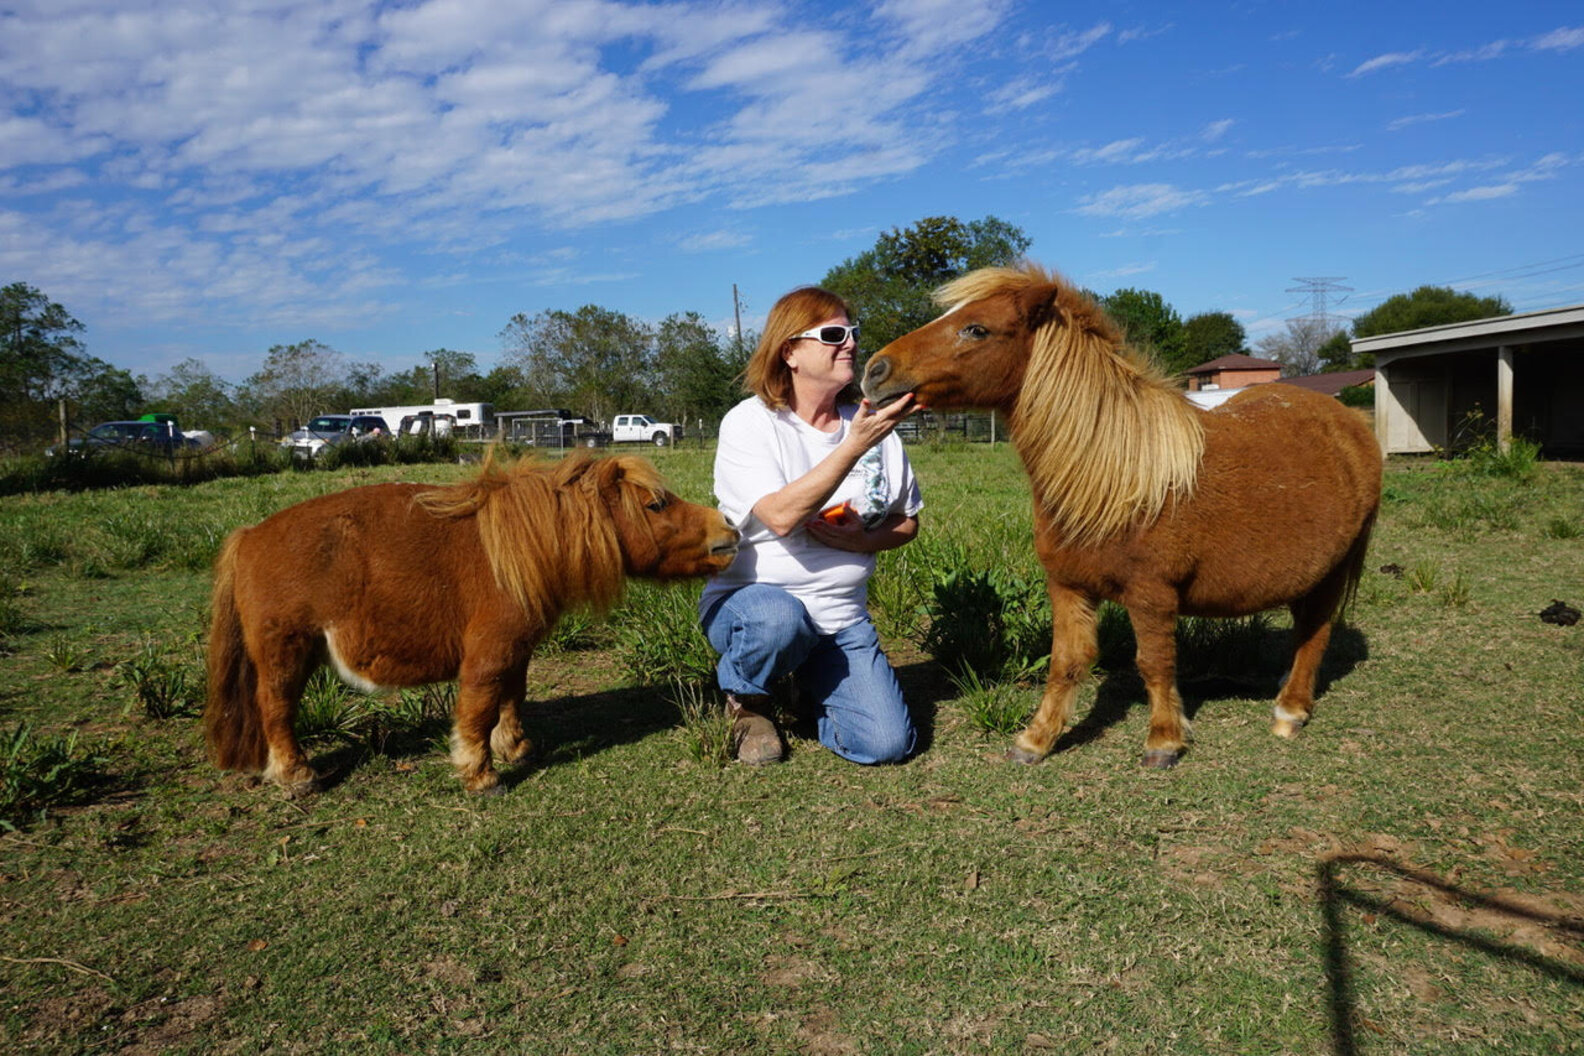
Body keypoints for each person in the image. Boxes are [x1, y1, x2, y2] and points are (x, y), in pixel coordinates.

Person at [700, 286, 922, 765]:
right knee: (779, 619)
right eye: (833, 335)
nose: (851, 343)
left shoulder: (871, 426)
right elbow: (781, 517)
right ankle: (747, 701)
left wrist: (865, 538)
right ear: (790, 353)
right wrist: (853, 447)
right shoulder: (752, 423)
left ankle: (805, 687)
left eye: (852, 333)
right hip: (752, 608)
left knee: (887, 744)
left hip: (840, 619)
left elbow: (908, 523)